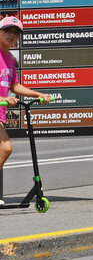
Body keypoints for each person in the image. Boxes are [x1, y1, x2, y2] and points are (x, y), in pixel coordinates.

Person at [0, 16, 51, 203]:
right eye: (7, 31)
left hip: (0, 113)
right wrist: (3, 99)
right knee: (6, 148)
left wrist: (38, 94)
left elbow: (14, 86)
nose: (11, 35)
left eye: (15, 33)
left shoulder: (10, 58)